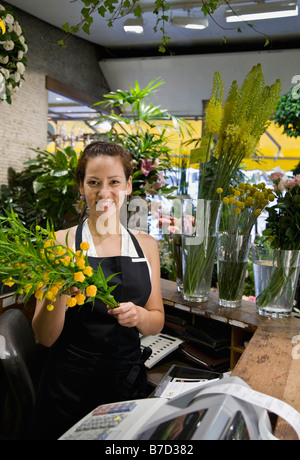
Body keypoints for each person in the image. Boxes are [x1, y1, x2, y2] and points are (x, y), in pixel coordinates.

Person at [27, 141, 164, 440]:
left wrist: (139, 315)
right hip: (67, 390)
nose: (104, 192)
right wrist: (61, 289)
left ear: (128, 185)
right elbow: (44, 337)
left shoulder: (146, 246)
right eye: (93, 182)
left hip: (125, 387)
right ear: (81, 186)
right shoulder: (58, 243)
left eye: (114, 182)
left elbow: (156, 320)